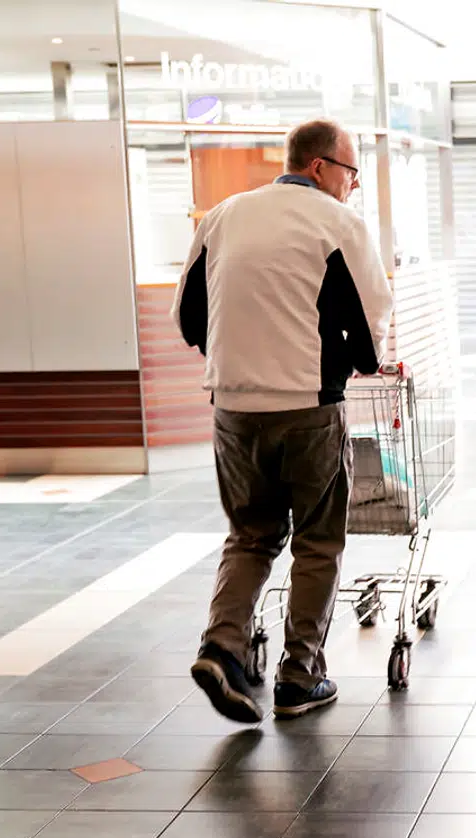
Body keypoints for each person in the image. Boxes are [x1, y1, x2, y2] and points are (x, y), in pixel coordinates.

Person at [173, 118, 393, 723]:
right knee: (318, 540)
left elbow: (189, 316)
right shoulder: (338, 223)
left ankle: (222, 646)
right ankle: (301, 676)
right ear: (321, 167)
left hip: (234, 408)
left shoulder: (223, 215)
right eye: (351, 172)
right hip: (307, 407)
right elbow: (372, 324)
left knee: (250, 534)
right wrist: (358, 362)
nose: (353, 185)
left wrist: (241, 360)